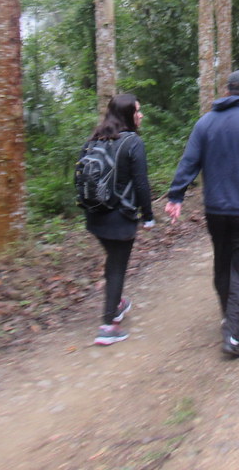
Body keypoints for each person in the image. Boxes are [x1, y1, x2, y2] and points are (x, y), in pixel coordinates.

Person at [164, 69, 239, 358]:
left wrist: (176, 195)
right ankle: (233, 335)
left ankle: (229, 315)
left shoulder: (205, 122)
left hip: (216, 209)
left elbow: (189, 161)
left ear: (227, 91)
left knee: (223, 262)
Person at [80, 93, 153, 346]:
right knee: (118, 267)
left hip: (95, 217)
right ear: (127, 115)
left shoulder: (94, 139)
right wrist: (149, 217)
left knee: (113, 261)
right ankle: (108, 325)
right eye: (137, 111)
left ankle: (117, 303)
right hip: (120, 217)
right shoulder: (133, 143)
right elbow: (142, 185)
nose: (141, 115)